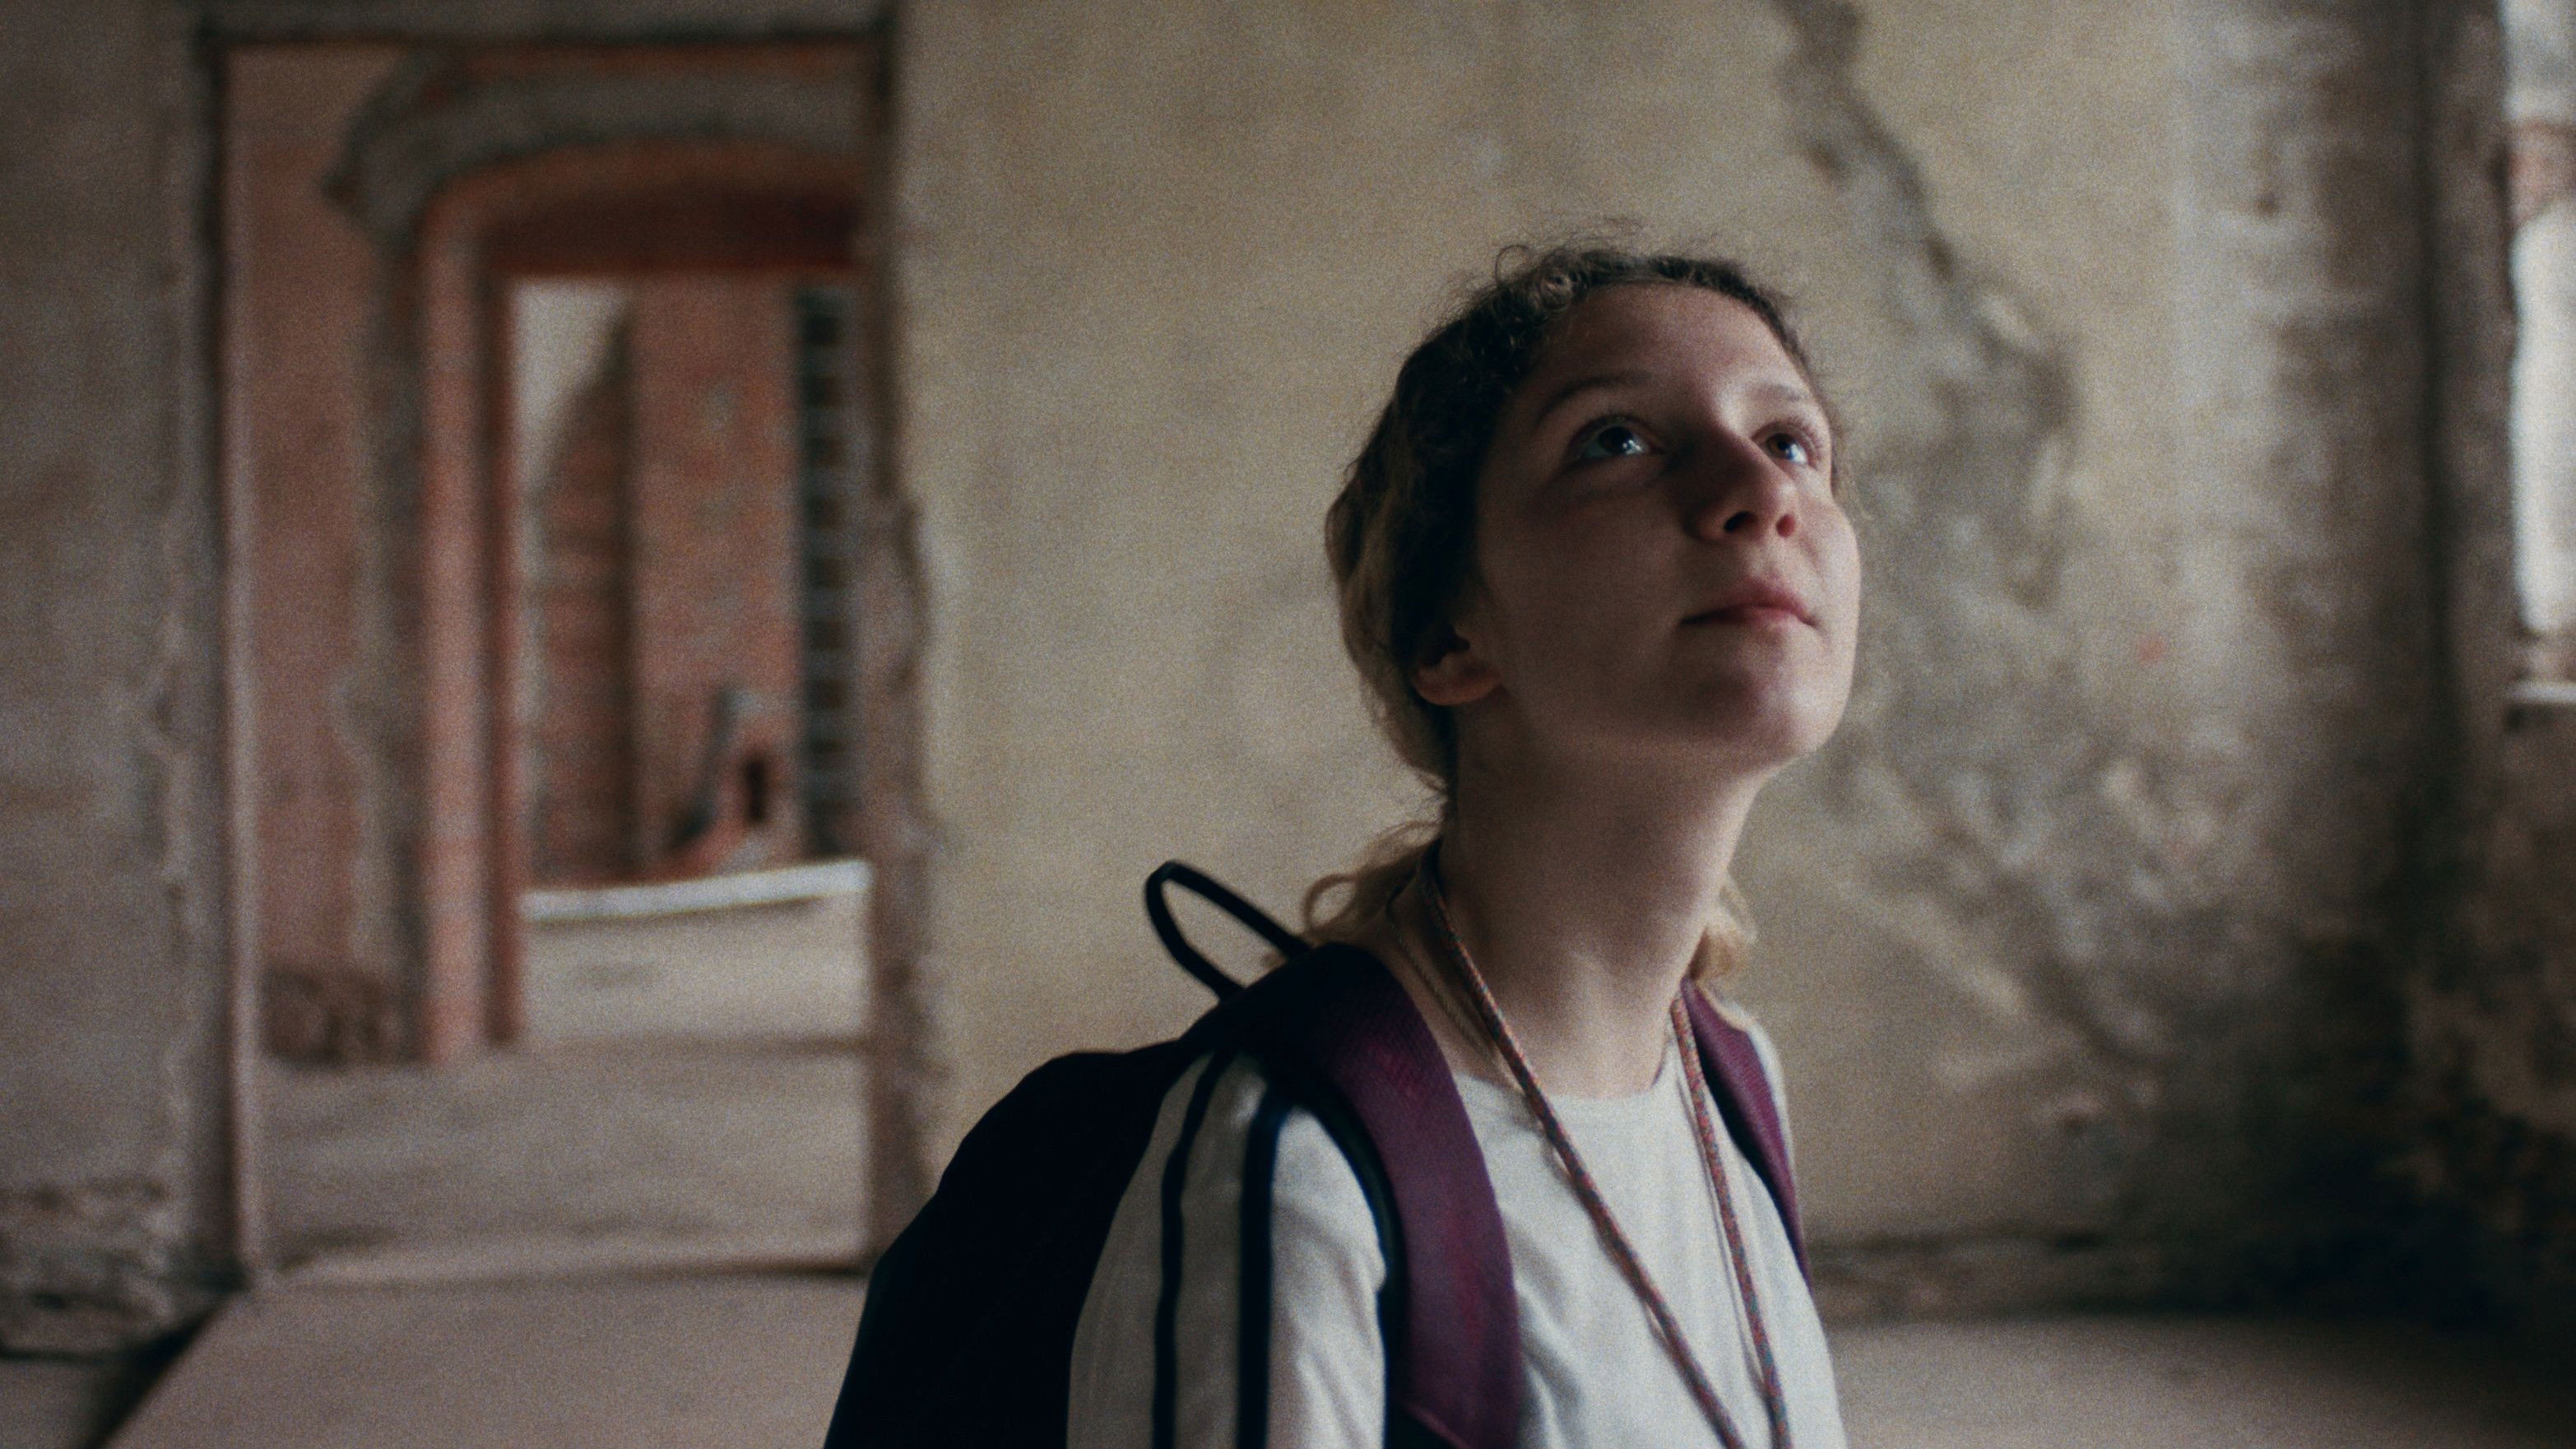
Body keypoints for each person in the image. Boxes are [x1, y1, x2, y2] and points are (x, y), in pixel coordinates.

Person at [1066, 242, 1862, 1448]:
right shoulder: (1298, 1161)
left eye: (1792, 440)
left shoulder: (1731, 1079)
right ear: (1449, 635)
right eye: (1616, 440)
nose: (1759, 489)